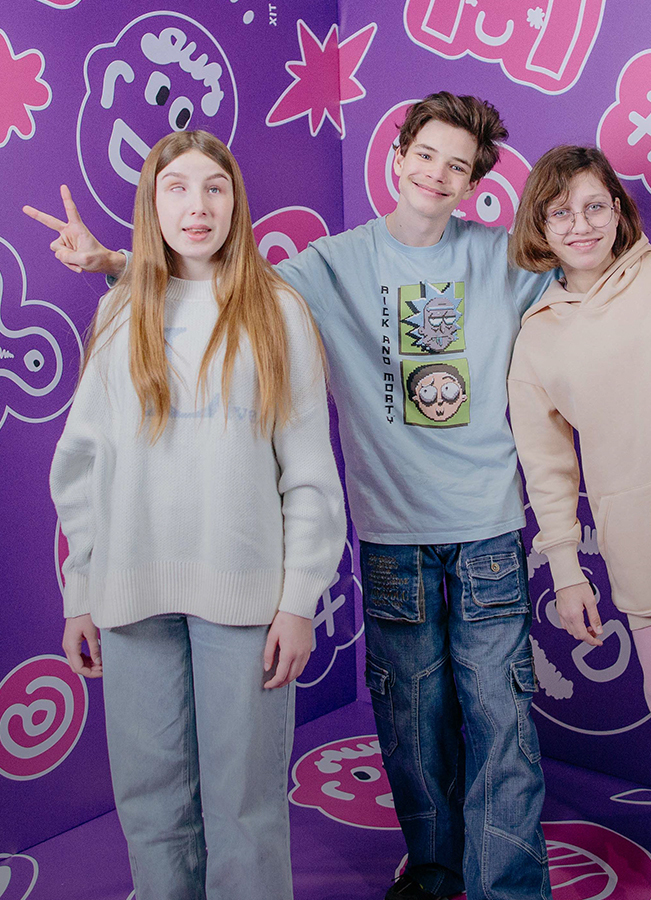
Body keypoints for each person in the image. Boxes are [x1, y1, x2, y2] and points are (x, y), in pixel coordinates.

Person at [25, 94, 552, 900]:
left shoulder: (495, 259)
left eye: (457, 165)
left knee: (499, 721)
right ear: (396, 157)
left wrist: (296, 597)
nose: (436, 174)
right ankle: (435, 873)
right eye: (425, 154)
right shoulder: (320, 269)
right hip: (380, 532)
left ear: (476, 182)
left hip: (477, 526)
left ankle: (506, 887)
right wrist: (114, 265)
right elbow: (205, 284)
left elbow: (581, 283)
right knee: (408, 730)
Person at [46, 129, 346, 900]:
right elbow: (81, 466)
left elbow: (309, 472)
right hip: (130, 596)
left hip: (244, 598)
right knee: (151, 805)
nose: (197, 205)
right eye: (176, 187)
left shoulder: (278, 311)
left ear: (235, 201)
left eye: (214, 186)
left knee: (245, 808)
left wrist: (297, 602)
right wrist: (81, 592)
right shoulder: (120, 312)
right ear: (151, 204)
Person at [508, 145, 651, 709]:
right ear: (541, 226)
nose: (581, 225)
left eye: (594, 207)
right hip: (638, 546)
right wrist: (566, 573)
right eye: (561, 212)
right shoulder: (538, 336)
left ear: (617, 209)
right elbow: (546, 468)